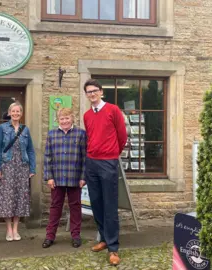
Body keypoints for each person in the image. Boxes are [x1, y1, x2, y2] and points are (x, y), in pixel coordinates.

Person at [83, 79, 127, 266]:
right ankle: (103, 238)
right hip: (91, 162)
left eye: (94, 91)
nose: (92, 94)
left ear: (101, 92)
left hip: (108, 162)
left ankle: (113, 248)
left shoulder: (113, 110)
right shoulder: (86, 115)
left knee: (110, 205)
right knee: (96, 203)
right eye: (88, 92)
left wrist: (112, 154)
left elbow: (122, 135)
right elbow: (91, 136)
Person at [42, 108, 87, 249]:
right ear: (58, 120)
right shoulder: (52, 134)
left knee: (75, 207)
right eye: (62, 119)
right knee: (55, 207)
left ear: (72, 118)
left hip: (75, 177)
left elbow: (85, 158)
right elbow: (47, 157)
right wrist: (49, 177)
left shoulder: (81, 134)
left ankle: (75, 236)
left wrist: (83, 177)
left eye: (67, 118)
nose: (65, 121)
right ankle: (50, 236)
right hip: (57, 178)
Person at [0, 102, 36, 242]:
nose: (16, 113)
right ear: (9, 112)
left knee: (20, 197)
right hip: (7, 167)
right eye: (13, 111)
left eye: (18, 111)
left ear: (21, 113)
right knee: (7, 198)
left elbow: (30, 150)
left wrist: (32, 168)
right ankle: (8, 229)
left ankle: (16, 228)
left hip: (22, 167)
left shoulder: (25, 130)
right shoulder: (2, 128)